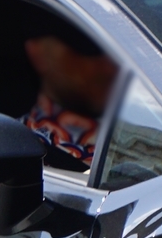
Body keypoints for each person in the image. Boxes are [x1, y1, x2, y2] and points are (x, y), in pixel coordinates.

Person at [21, 20, 119, 165]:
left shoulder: (148, 120)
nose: (111, 66)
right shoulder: (15, 148)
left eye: (117, 51)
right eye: (89, 49)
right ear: (38, 54)